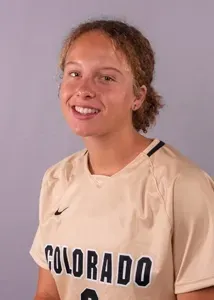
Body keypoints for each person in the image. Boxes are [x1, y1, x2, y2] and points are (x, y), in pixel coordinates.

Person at [30, 19, 214, 300]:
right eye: (74, 73)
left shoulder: (183, 186)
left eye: (106, 77)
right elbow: (47, 293)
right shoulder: (57, 179)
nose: (84, 89)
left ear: (138, 97)